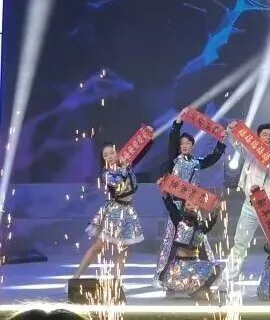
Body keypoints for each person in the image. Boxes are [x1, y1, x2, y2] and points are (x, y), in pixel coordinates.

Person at [154, 108, 226, 282]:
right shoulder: (174, 160)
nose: (184, 145)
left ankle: (207, 272)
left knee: (199, 237)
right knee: (172, 239)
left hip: (192, 207)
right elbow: (172, 140)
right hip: (177, 205)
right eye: (182, 143)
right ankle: (163, 274)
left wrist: (221, 142)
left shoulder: (196, 162)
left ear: (193, 145)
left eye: (188, 143)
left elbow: (212, 158)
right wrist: (178, 122)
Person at [219, 123, 270, 289]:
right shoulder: (250, 152)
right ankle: (227, 279)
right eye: (264, 134)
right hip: (250, 205)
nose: (268, 138)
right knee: (240, 243)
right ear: (258, 137)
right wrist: (231, 129)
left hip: (268, 207)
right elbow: (236, 142)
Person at [73, 139, 151, 283]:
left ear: (117, 153)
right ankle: (75, 278)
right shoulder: (106, 173)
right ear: (103, 159)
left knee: (123, 249)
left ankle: (116, 282)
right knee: (98, 246)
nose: (109, 156)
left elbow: (140, 153)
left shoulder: (126, 166)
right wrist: (125, 168)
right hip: (115, 211)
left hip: (128, 211)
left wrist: (148, 138)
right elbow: (118, 182)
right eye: (106, 155)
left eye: (112, 153)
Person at [158, 193, 220, 298]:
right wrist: (165, 195)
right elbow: (171, 208)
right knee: (180, 278)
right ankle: (187, 290)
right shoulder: (179, 221)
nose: (191, 208)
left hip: (194, 265)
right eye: (188, 205)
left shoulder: (201, 226)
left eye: (194, 205)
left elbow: (211, 221)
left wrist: (216, 209)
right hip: (179, 267)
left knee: (215, 269)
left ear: (198, 207)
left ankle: (199, 290)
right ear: (185, 207)